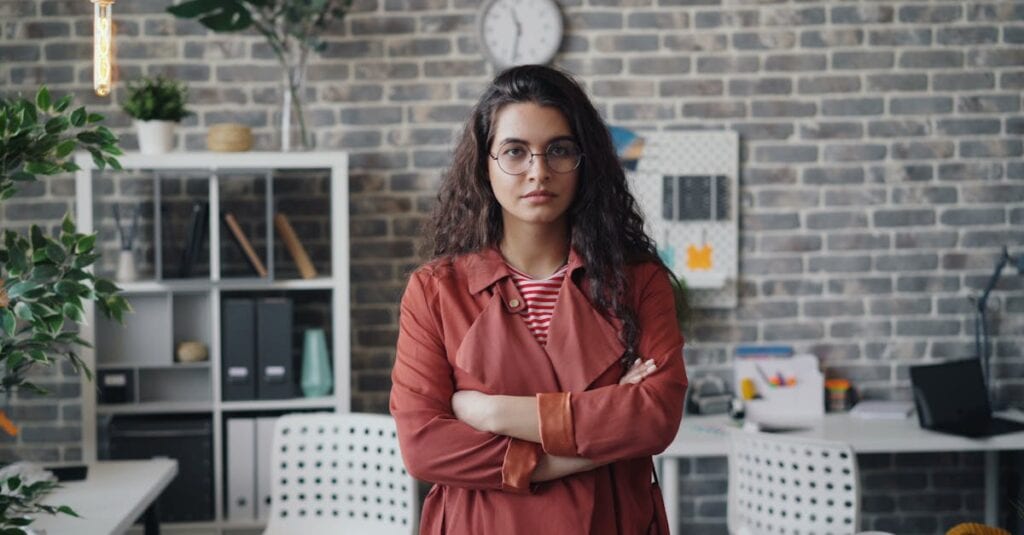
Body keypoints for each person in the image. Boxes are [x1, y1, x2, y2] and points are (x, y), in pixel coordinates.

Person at [390, 64, 688, 534]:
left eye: (560, 150)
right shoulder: (435, 290)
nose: (539, 171)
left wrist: (491, 412)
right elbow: (423, 446)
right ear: (484, 165)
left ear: (584, 160)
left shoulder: (639, 281)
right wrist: (574, 452)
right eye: (515, 152)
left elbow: (655, 418)